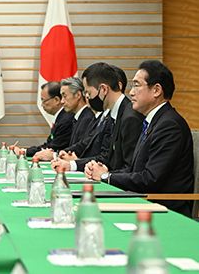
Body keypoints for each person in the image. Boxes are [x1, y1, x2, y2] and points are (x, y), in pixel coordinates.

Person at [86, 60, 195, 217]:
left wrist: (106, 177)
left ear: (156, 90)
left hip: (165, 209)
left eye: (136, 85)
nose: (130, 92)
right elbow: (134, 169)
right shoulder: (153, 121)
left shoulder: (169, 126)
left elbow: (150, 179)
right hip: (146, 201)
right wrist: (106, 172)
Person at [33, 77, 94, 161]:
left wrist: (56, 155)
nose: (62, 101)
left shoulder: (87, 118)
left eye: (64, 96)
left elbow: (83, 147)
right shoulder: (78, 117)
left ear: (78, 95)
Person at [21, 81, 74, 158]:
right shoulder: (61, 117)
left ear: (56, 100)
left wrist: (25, 152)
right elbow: (49, 144)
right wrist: (25, 151)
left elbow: (54, 147)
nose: (42, 105)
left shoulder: (66, 119)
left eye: (44, 100)